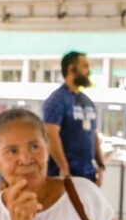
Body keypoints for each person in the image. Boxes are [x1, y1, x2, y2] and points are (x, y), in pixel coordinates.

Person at [43, 51, 105, 184]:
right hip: (64, 175)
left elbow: (93, 134)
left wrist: (101, 165)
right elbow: (51, 134)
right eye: (85, 66)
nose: (88, 71)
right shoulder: (57, 100)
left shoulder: (87, 101)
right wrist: (64, 168)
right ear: (72, 68)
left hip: (87, 174)